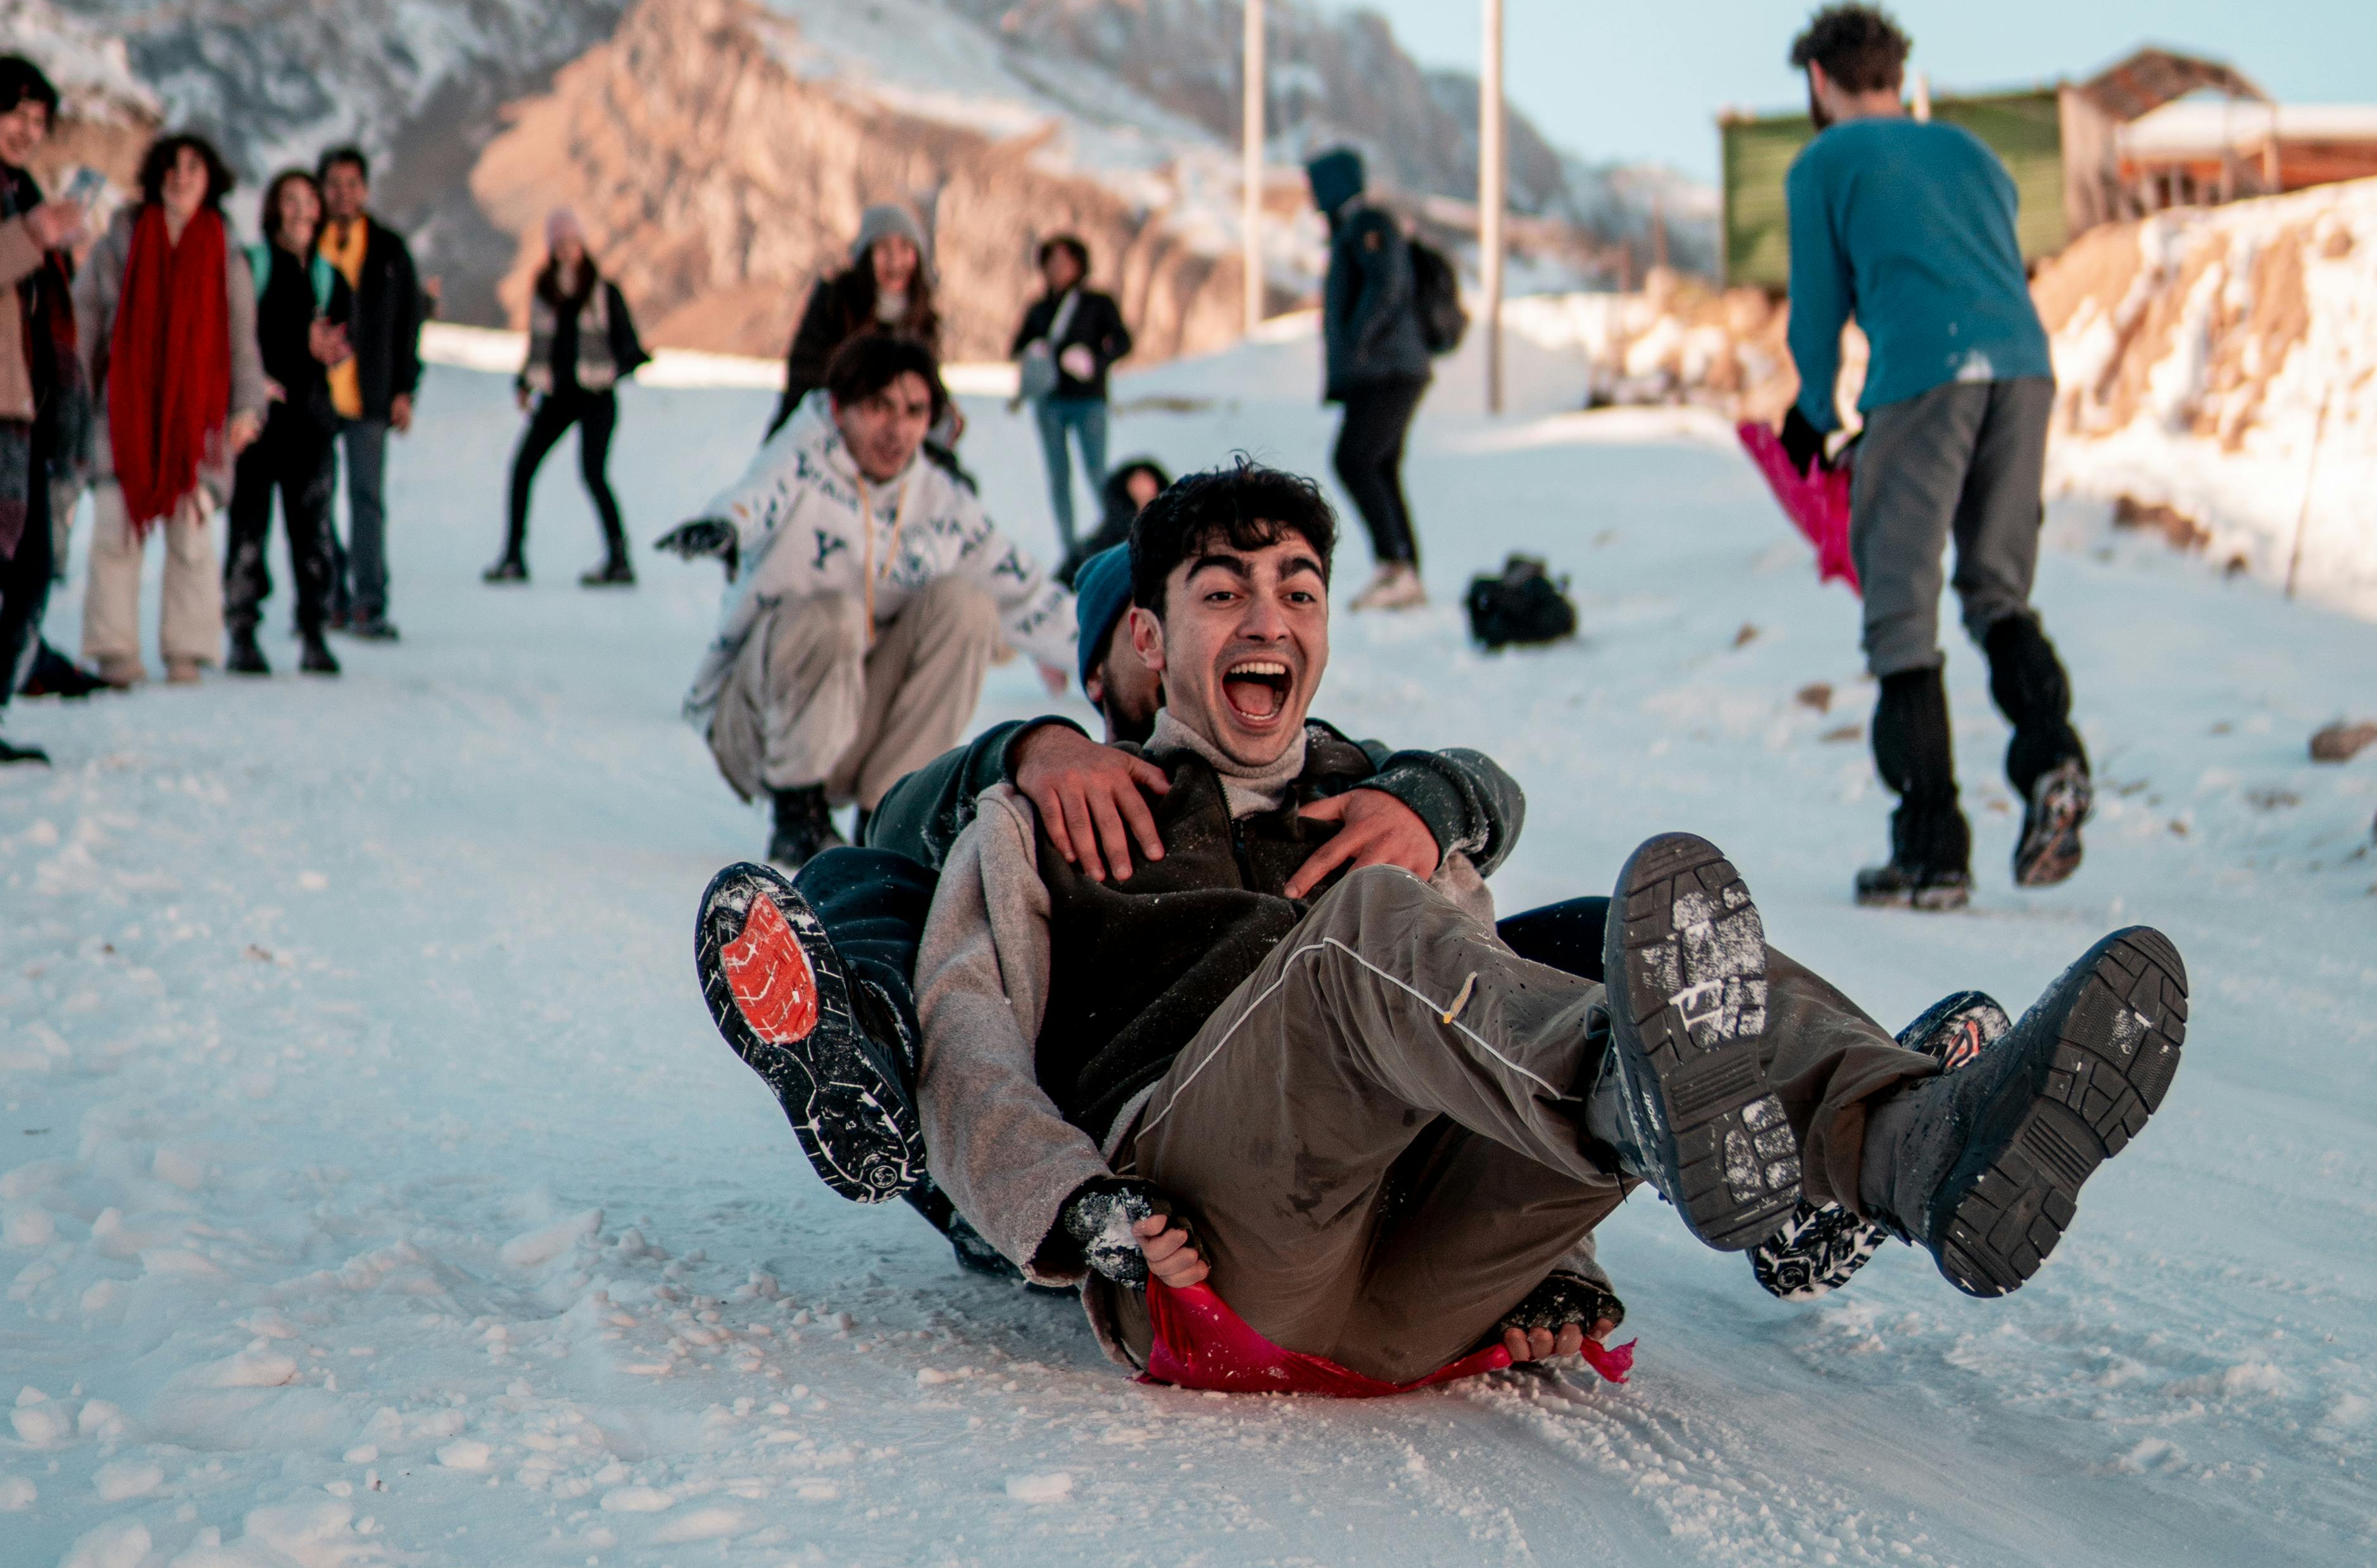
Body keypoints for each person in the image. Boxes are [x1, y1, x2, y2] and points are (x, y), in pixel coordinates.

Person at [690, 461, 2185, 1388]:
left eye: (1297, 589)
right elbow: (970, 1037)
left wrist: (1565, 1272)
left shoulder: (1384, 810)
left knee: (1599, 952)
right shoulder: (1046, 813)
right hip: (1212, 1234)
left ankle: (1910, 1148)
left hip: (1414, 1287)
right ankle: (1644, 1103)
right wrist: (1069, 1209)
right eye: (1221, 594)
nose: (1266, 618)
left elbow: (1477, 1005)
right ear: (1140, 645)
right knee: (1380, 943)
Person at [1778, 0, 2090, 910]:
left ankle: (1929, 850)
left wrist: (1811, 410)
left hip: (1922, 377)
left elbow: (1816, 312)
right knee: (1996, 590)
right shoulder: (1975, 155)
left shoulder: (1823, 161)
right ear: (1897, 78)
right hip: (2023, 371)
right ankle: (2052, 763)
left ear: (1816, 81)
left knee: (1900, 612)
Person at [671, 327, 1074, 869]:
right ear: (839, 410)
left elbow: (1024, 589)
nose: (897, 429)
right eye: (878, 407)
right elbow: (755, 497)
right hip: (761, 730)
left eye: (913, 411)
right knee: (832, 611)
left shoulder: (938, 498)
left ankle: (890, 811)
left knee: (968, 604)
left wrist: (1113, 650)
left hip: (860, 726)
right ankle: (797, 816)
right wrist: (725, 526)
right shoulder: (802, 458)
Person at [75, 132, 265, 688]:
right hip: (125, 412)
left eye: (194, 168)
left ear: (211, 181)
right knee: (116, 531)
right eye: (173, 167)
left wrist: (247, 407)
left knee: (191, 535)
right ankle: (114, 652)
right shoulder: (122, 240)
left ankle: (187, 651)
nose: (182, 178)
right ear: (156, 175)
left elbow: (240, 340)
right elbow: (88, 320)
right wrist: (78, 393)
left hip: (194, 420)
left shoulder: (225, 250)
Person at [224, 167, 354, 679]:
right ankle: (242, 630)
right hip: (256, 424)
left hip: (313, 424)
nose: (301, 211)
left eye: (309, 201)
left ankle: (315, 630)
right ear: (274, 209)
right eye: (290, 200)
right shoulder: (252, 267)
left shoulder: (329, 277)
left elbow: (346, 338)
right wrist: (297, 346)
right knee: (249, 528)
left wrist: (334, 348)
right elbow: (237, 334)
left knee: (314, 531)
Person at [0, 55, 92, 765]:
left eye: (38, 121)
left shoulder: (23, 193)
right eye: (16, 113)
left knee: (31, 567)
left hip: (26, 406)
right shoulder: (22, 211)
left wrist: (59, 249)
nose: (27, 131)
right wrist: (35, 238)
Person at [484, 211, 645, 586]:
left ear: (582, 243)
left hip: (597, 396)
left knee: (593, 474)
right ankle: (513, 556)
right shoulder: (543, 291)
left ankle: (619, 558)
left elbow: (630, 348)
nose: (567, 250)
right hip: (557, 396)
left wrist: (611, 371)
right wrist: (525, 382)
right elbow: (539, 347)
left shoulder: (604, 292)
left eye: (572, 242)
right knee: (522, 468)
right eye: (559, 244)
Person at [1307, 147, 1429, 610]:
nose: (1309, 196)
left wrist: (1360, 337)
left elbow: (1388, 282)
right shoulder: (1352, 229)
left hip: (1387, 369)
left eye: (1314, 186)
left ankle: (1395, 567)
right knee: (1378, 464)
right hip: (1387, 368)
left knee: (1353, 460)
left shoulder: (1366, 223)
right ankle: (1402, 571)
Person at [313, 144, 423, 643]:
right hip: (313, 395)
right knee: (315, 500)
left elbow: (408, 326)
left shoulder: (388, 250)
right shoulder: (305, 244)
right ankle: (330, 593)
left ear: (365, 189)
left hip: (370, 395)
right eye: (334, 184)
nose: (343, 193)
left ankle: (368, 601)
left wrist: (404, 390)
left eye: (352, 184)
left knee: (366, 500)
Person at [767, 204, 948, 438]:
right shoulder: (835, 303)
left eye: (905, 247)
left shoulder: (922, 318)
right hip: (825, 435)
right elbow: (806, 381)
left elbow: (928, 390)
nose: (895, 260)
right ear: (866, 256)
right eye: (884, 248)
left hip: (894, 443)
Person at [1010, 235, 1132, 560]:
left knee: (1097, 472)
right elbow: (1017, 346)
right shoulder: (1038, 308)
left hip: (1088, 401)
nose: (1057, 269)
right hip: (1049, 402)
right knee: (1058, 475)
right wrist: (1034, 351)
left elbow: (1123, 341)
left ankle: (1119, 534)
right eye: (1051, 263)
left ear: (1079, 265)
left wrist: (1094, 360)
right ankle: (1070, 548)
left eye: (1064, 262)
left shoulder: (1097, 304)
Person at [1054, 449, 1170, 589]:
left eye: (1148, 480)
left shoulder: (1171, 543)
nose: (1144, 486)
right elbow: (1060, 586)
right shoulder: (1096, 550)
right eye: (1137, 480)